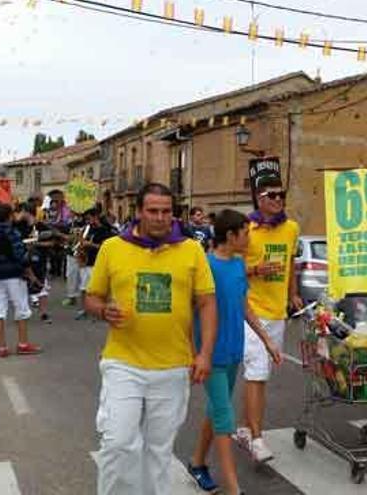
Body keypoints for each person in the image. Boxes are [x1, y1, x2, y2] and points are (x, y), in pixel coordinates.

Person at [84, 183, 217, 495]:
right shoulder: (113, 248)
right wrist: (104, 311)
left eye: (166, 211)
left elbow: (208, 303)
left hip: (173, 367)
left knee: (158, 451)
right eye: (153, 211)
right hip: (123, 363)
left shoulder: (191, 250)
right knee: (118, 443)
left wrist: (205, 354)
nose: (160, 218)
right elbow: (91, 298)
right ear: (139, 212)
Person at [187, 210, 282, 495]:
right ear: (231, 236)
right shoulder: (205, 266)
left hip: (232, 351)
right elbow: (190, 313)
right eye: (246, 232)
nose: (249, 237)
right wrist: (195, 354)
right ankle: (233, 489)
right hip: (211, 355)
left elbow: (243, 306)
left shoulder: (239, 264)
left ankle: (197, 463)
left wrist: (266, 339)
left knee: (216, 410)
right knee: (225, 420)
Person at [236, 175, 302, 462]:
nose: (278, 199)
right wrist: (255, 271)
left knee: (260, 378)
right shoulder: (246, 229)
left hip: (277, 314)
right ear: (259, 199)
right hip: (251, 312)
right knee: (257, 373)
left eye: (281, 194)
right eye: (271, 195)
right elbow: (231, 266)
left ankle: (244, 428)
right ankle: (258, 439)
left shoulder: (291, 228)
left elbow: (289, 263)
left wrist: (293, 294)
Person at [0, 203, 42, 358]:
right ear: (9, 216)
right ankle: (22, 344)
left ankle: (2, 347)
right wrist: (31, 274)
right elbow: (20, 256)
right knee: (21, 308)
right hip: (13, 274)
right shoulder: (12, 232)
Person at [14, 204, 54, 324]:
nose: (19, 214)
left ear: (26, 211)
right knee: (20, 286)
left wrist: (36, 244)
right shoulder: (19, 225)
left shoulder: (41, 226)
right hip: (22, 259)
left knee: (42, 286)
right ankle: (21, 313)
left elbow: (51, 243)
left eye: (21, 212)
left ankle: (43, 313)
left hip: (39, 259)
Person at [76, 210, 116, 320]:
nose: (88, 221)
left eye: (89, 219)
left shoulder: (105, 231)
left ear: (95, 217)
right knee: (83, 288)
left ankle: (98, 311)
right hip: (86, 261)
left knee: (97, 289)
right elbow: (82, 242)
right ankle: (84, 309)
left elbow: (105, 247)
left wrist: (90, 244)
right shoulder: (88, 229)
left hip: (97, 262)